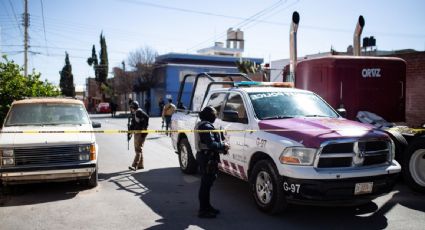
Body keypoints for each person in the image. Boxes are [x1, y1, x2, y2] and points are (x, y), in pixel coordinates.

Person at [195, 106, 230, 218]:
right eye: (214, 114)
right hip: (207, 158)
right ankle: (203, 210)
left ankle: (207, 206)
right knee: (205, 185)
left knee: (207, 184)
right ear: (209, 115)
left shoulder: (203, 124)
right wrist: (223, 145)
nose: (216, 116)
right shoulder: (206, 126)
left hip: (206, 157)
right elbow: (211, 144)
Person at [128, 101, 149, 171]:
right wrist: (129, 132)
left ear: (133, 107)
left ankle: (135, 165)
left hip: (140, 133)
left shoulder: (139, 112)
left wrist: (144, 129)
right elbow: (133, 124)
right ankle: (140, 165)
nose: (130, 109)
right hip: (138, 133)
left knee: (138, 149)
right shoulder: (135, 113)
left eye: (131, 107)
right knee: (139, 149)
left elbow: (147, 117)